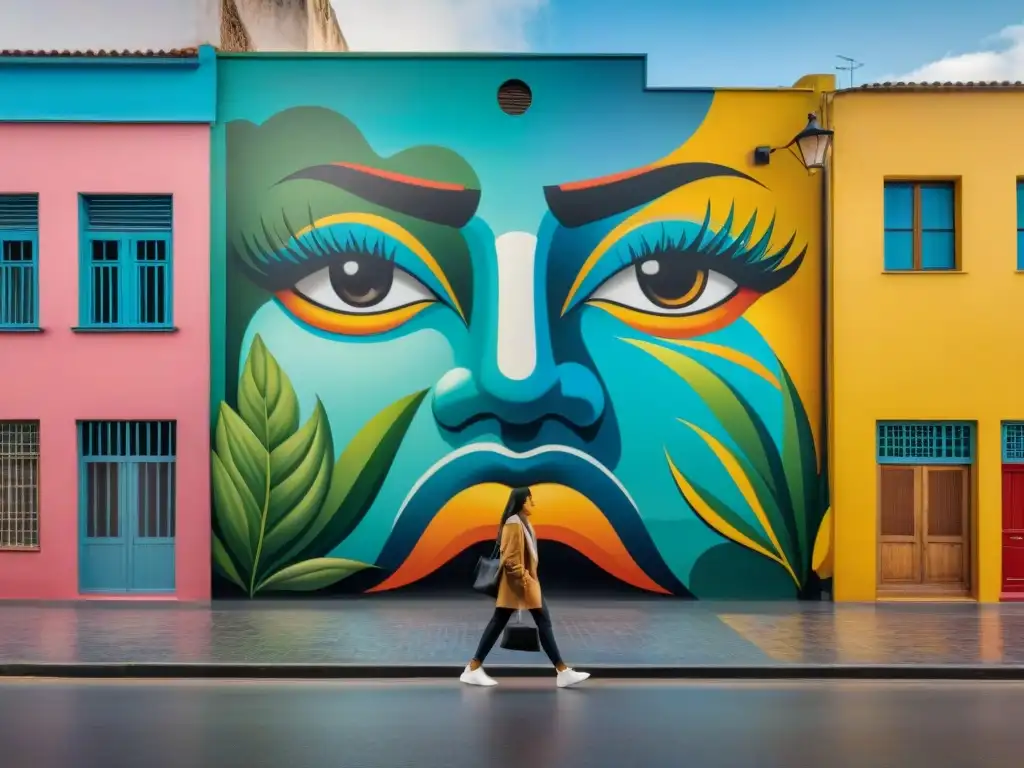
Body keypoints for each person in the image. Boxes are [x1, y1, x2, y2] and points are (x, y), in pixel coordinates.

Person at [460, 486, 590, 688]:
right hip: (519, 585)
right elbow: (511, 560)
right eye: (531, 500)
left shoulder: (523, 522)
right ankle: (562, 671)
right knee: (540, 621)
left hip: (520, 585)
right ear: (522, 501)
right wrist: (526, 579)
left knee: (502, 623)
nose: (533, 503)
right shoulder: (513, 524)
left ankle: (473, 667)